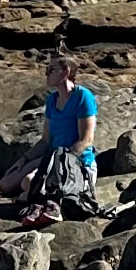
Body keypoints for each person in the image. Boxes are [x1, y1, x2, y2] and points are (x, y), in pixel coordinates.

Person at [21, 50, 99, 229]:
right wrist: (24, 159)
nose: (46, 73)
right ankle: (42, 205)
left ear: (65, 72)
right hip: (54, 162)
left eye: (51, 69)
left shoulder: (83, 97)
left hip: (78, 165)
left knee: (42, 186)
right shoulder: (52, 100)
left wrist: (64, 161)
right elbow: (46, 139)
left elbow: (87, 140)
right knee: (28, 181)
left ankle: (51, 207)